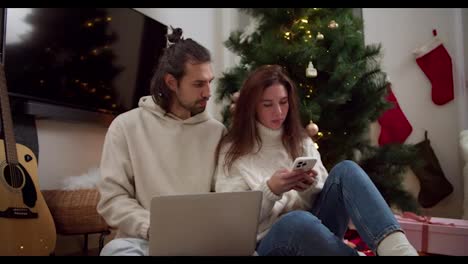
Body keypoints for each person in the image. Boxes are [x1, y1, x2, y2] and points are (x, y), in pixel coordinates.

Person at [215, 64, 418, 256]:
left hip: (313, 230)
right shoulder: (232, 151)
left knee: (346, 170)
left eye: (283, 102)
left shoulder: (301, 140)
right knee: (295, 221)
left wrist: (309, 187)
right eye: (268, 104)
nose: (278, 112)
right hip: (268, 243)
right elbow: (234, 222)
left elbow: (324, 197)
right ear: (252, 107)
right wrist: (270, 190)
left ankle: (399, 251)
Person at [96, 28, 225, 256]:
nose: (208, 93)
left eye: (209, 82)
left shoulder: (217, 132)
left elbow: (226, 195)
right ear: (171, 82)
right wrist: (152, 227)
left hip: (201, 241)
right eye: (198, 84)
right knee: (115, 253)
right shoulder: (126, 126)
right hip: (145, 241)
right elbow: (112, 199)